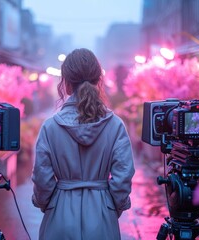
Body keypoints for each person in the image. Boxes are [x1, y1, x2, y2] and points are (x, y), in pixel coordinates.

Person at [31, 48, 135, 240]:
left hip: (59, 219)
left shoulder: (50, 127)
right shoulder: (115, 125)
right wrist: (112, 207)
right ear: (98, 81)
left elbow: (42, 179)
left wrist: (50, 205)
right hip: (103, 217)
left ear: (67, 85)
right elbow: (123, 177)